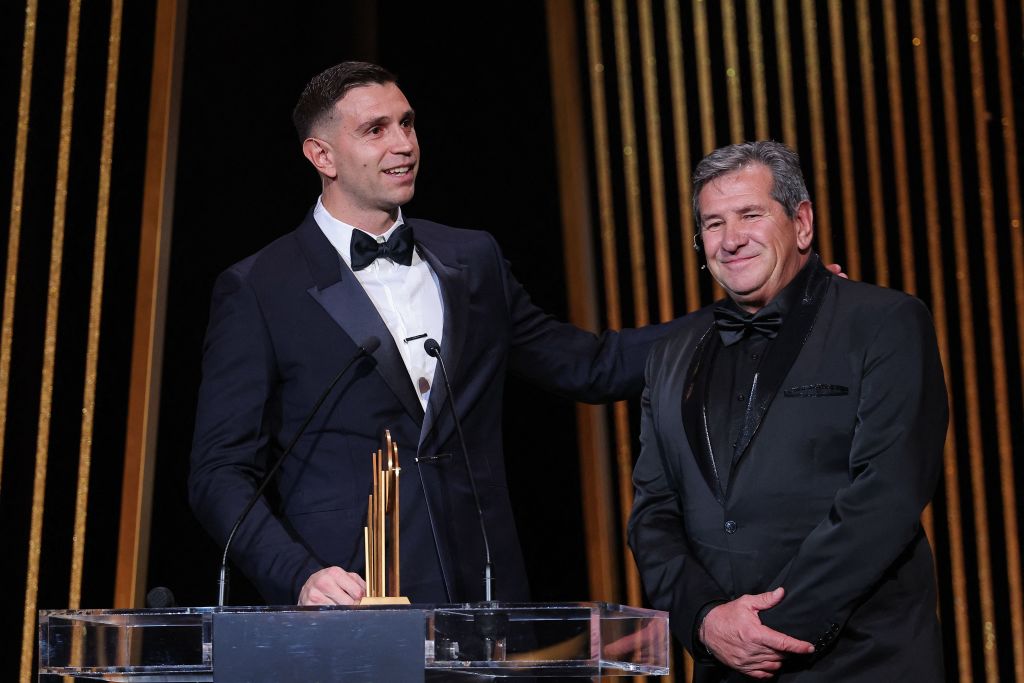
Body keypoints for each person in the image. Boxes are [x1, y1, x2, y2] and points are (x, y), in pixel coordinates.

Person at [187, 60, 689, 607]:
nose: (404, 144)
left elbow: (588, 366)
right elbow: (219, 473)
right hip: (353, 604)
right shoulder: (260, 287)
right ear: (321, 155)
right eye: (375, 130)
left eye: (408, 123)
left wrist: (738, 313)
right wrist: (299, 575)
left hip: (486, 597)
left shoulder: (473, 260)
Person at [627, 141, 947, 681]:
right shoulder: (670, 355)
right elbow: (653, 512)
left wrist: (769, 629)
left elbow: (886, 494)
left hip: (861, 660)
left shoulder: (884, 322)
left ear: (801, 223)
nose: (730, 240)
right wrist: (706, 622)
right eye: (712, 224)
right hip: (724, 663)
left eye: (750, 215)